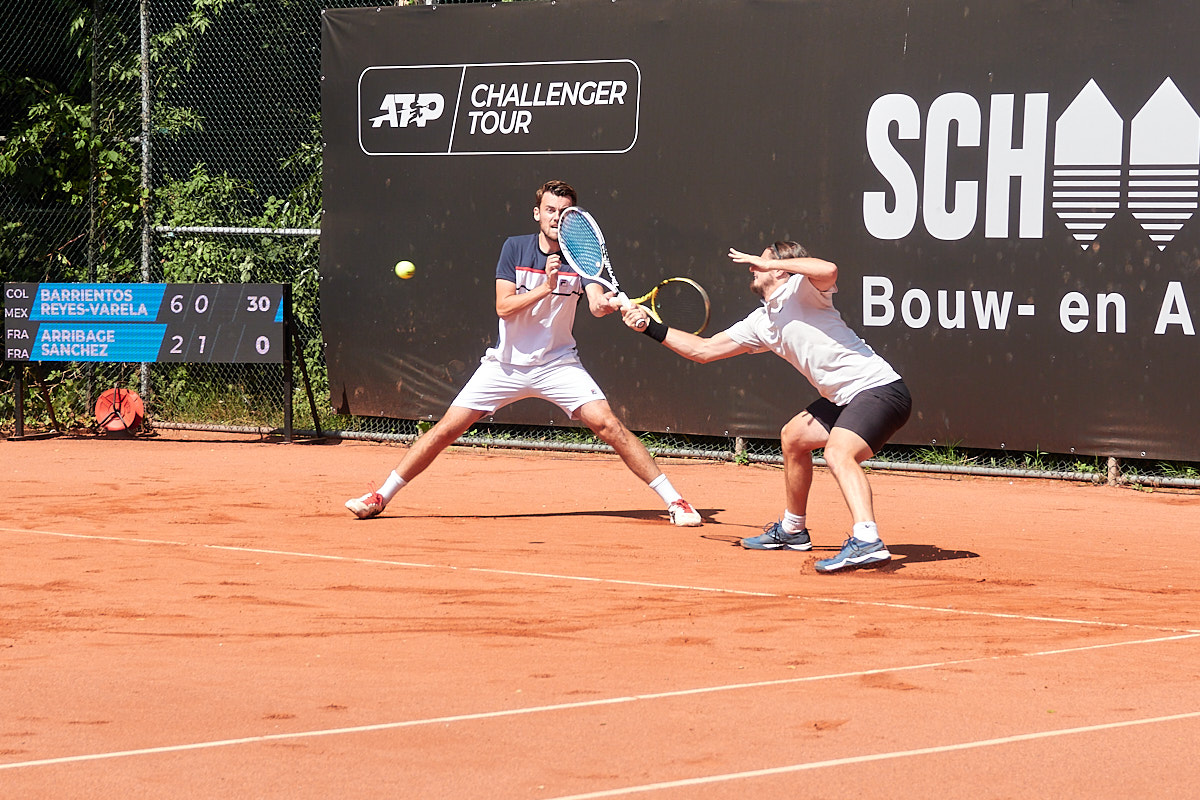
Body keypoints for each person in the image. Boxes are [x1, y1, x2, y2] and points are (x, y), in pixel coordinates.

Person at [345, 180, 702, 527]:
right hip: (505, 366)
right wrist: (546, 287)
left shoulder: (581, 255)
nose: (556, 217)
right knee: (445, 430)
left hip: (558, 364)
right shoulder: (515, 248)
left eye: (564, 212)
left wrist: (611, 304)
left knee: (610, 426)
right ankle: (380, 496)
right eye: (550, 210)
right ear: (537, 213)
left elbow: (595, 304)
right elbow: (503, 307)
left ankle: (675, 501)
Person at [619, 241, 911, 572]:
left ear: (782, 270)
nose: (753, 267)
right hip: (843, 398)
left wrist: (773, 263)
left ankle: (867, 540)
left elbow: (828, 269)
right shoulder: (762, 321)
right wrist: (650, 327)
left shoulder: (804, 290)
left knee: (838, 454)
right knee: (794, 437)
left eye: (761, 262)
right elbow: (703, 350)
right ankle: (793, 530)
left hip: (878, 389)